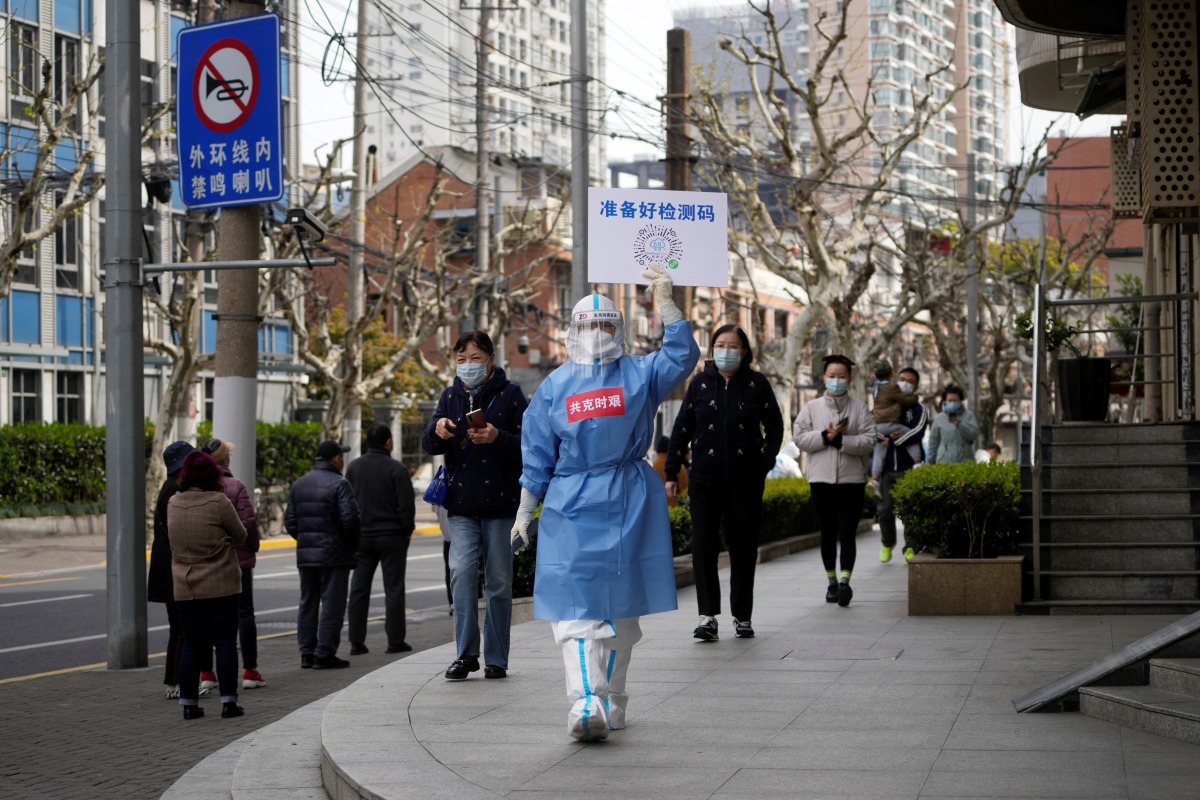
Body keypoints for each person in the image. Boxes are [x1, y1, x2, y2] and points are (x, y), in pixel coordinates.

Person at [511, 263, 700, 741]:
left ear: (619, 329)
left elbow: (681, 357)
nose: (597, 333)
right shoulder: (553, 388)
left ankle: (612, 700)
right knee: (576, 611)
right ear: (573, 331)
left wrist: (667, 304)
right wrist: (524, 511)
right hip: (571, 505)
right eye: (588, 325)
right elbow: (536, 454)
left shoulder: (640, 373)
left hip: (629, 499)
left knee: (621, 614)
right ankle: (585, 701)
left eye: (606, 325)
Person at [665, 324, 783, 641]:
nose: (726, 350)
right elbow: (682, 429)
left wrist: (763, 463)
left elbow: (775, 426)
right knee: (703, 546)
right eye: (720, 344)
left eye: (733, 345)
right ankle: (707, 617)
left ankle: (742, 616)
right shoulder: (700, 384)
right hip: (705, 478)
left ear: (744, 352)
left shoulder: (758, 384)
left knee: (743, 548)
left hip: (746, 480)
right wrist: (672, 472)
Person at [421, 331, 527, 681]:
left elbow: (529, 445)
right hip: (462, 506)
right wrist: (438, 430)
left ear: (491, 359)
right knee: (462, 575)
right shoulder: (450, 395)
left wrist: (498, 437)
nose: (468, 365)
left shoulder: (511, 395)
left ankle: (496, 658)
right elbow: (429, 443)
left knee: (498, 582)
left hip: (500, 505)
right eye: (462, 358)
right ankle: (465, 655)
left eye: (475, 357)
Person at [167, 450, 248, 720]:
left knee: (192, 644)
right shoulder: (219, 502)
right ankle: (228, 703)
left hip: (186, 583)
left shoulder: (173, 503)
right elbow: (240, 535)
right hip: (221, 582)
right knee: (225, 642)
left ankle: (189, 704)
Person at [793, 354, 876, 607]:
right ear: (823, 378)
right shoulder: (811, 408)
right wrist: (825, 437)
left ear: (849, 379)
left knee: (847, 532)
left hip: (852, 481)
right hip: (821, 481)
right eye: (832, 376)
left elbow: (869, 440)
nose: (836, 381)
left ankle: (844, 582)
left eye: (841, 376)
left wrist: (842, 440)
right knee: (827, 532)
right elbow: (799, 438)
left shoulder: (860, 408)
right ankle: (831, 582)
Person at [285, 440, 361, 670]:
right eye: (341, 456)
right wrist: (349, 544)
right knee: (333, 604)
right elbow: (351, 520)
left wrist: (308, 540)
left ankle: (307, 652)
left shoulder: (299, 484)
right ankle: (325, 652)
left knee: (308, 602)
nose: (343, 460)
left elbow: (290, 522)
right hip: (334, 555)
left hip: (308, 554)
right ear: (335, 459)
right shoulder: (340, 484)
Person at [199, 437, 264, 691]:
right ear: (224, 460)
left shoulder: (195, 488)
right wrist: (252, 547)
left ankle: (206, 673)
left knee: (205, 617)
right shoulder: (235, 486)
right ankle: (250, 671)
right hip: (238, 560)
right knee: (244, 614)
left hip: (204, 562)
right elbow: (248, 524)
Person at [345, 422, 416, 655]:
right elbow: (406, 506)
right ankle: (395, 641)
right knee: (394, 589)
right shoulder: (396, 469)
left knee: (358, 589)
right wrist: (407, 530)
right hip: (392, 535)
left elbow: (349, 503)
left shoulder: (353, 468)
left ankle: (356, 641)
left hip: (363, 536)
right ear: (388, 442)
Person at [148, 440, 194, 701]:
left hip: (166, 568)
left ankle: (174, 681)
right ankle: (176, 682)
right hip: (172, 569)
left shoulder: (170, 488)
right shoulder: (174, 492)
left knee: (178, 627)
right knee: (182, 627)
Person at [874, 367, 928, 564]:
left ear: (916, 386)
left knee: (911, 510)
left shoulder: (918, 408)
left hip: (909, 469)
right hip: (886, 469)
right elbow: (871, 428)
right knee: (884, 509)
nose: (906, 383)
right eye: (902, 379)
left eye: (910, 381)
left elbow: (918, 431)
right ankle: (888, 543)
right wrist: (886, 438)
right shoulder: (883, 401)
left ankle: (910, 547)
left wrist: (895, 442)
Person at [868, 359, 922, 489]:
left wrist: (885, 439)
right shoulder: (892, 388)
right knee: (906, 431)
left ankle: (875, 479)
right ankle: (917, 460)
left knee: (879, 449)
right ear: (892, 375)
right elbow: (904, 400)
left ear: (876, 375)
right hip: (890, 423)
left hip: (878, 424)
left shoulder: (876, 388)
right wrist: (915, 398)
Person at [927, 384, 979, 465]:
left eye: (955, 401)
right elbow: (933, 442)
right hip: (944, 462)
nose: (952, 403)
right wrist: (930, 462)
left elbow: (974, 435)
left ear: (960, 401)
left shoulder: (969, 415)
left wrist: (959, 424)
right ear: (944, 401)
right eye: (950, 401)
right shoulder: (939, 418)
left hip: (965, 462)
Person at [650, 435, 687, 508]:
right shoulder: (679, 467)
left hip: (655, 510)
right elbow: (685, 490)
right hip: (674, 512)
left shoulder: (651, 467)